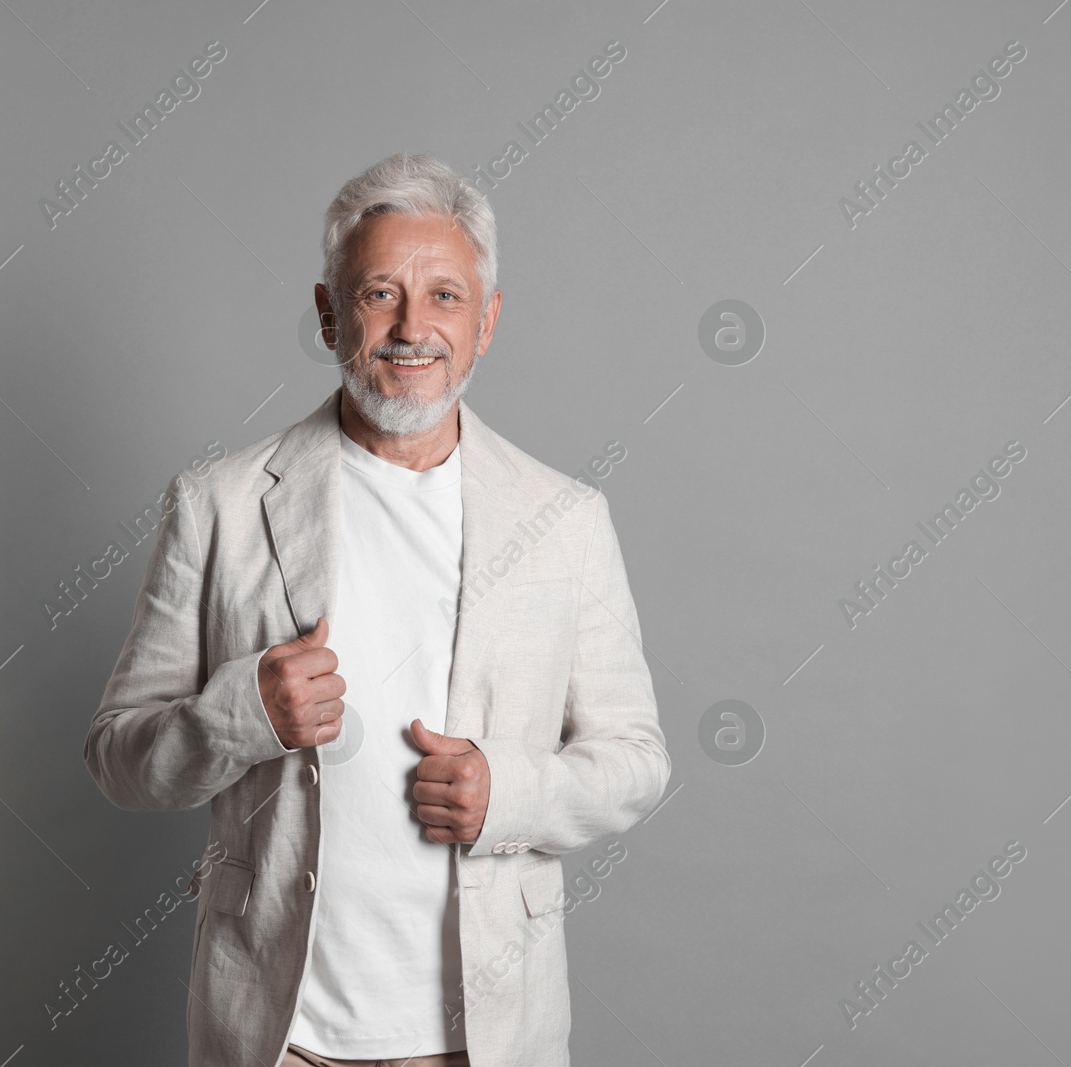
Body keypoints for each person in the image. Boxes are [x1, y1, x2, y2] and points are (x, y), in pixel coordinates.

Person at [84, 152, 670, 1067]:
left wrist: (507, 792)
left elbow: (636, 761)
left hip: (487, 1039)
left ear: (487, 323)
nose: (411, 327)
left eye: (444, 296)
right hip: (281, 1040)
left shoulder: (565, 519)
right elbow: (120, 760)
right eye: (378, 295)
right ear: (329, 313)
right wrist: (244, 713)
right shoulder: (220, 502)